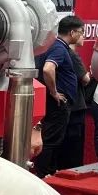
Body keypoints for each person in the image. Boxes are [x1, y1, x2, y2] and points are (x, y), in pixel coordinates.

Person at [33, 14, 85, 177]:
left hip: (55, 103)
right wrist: (54, 92)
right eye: (80, 32)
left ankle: (49, 172)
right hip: (57, 104)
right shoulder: (59, 48)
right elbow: (48, 69)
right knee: (51, 140)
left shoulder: (53, 46)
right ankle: (44, 175)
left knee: (53, 140)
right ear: (72, 32)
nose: (81, 35)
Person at [57, 32, 91, 170]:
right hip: (74, 106)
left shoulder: (59, 51)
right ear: (72, 33)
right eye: (81, 32)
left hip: (68, 105)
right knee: (73, 145)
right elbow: (85, 79)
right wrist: (90, 74)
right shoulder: (71, 54)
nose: (84, 37)